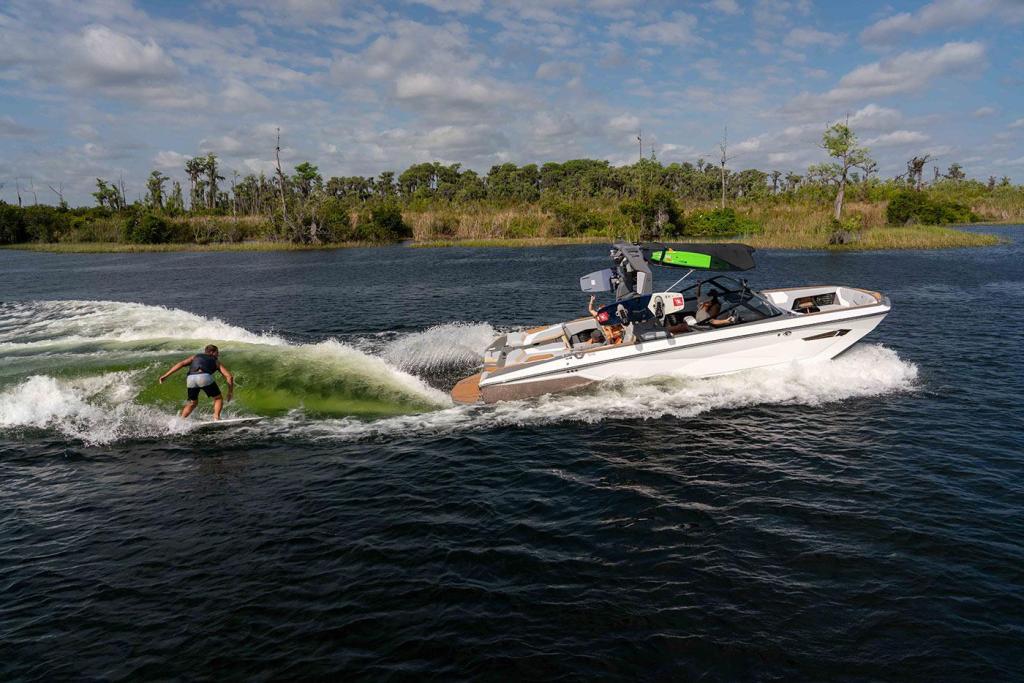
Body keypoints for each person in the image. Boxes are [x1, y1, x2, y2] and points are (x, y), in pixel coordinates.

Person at [159, 344, 234, 420]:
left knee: (192, 403)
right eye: (217, 352)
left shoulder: (195, 356)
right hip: (204, 377)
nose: (218, 354)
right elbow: (229, 376)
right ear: (212, 352)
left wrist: (165, 375)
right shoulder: (215, 361)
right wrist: (230, 392)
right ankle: (216, 417)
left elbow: (181, 364)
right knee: (218, 398)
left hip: (190, 379)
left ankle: (180, 420)